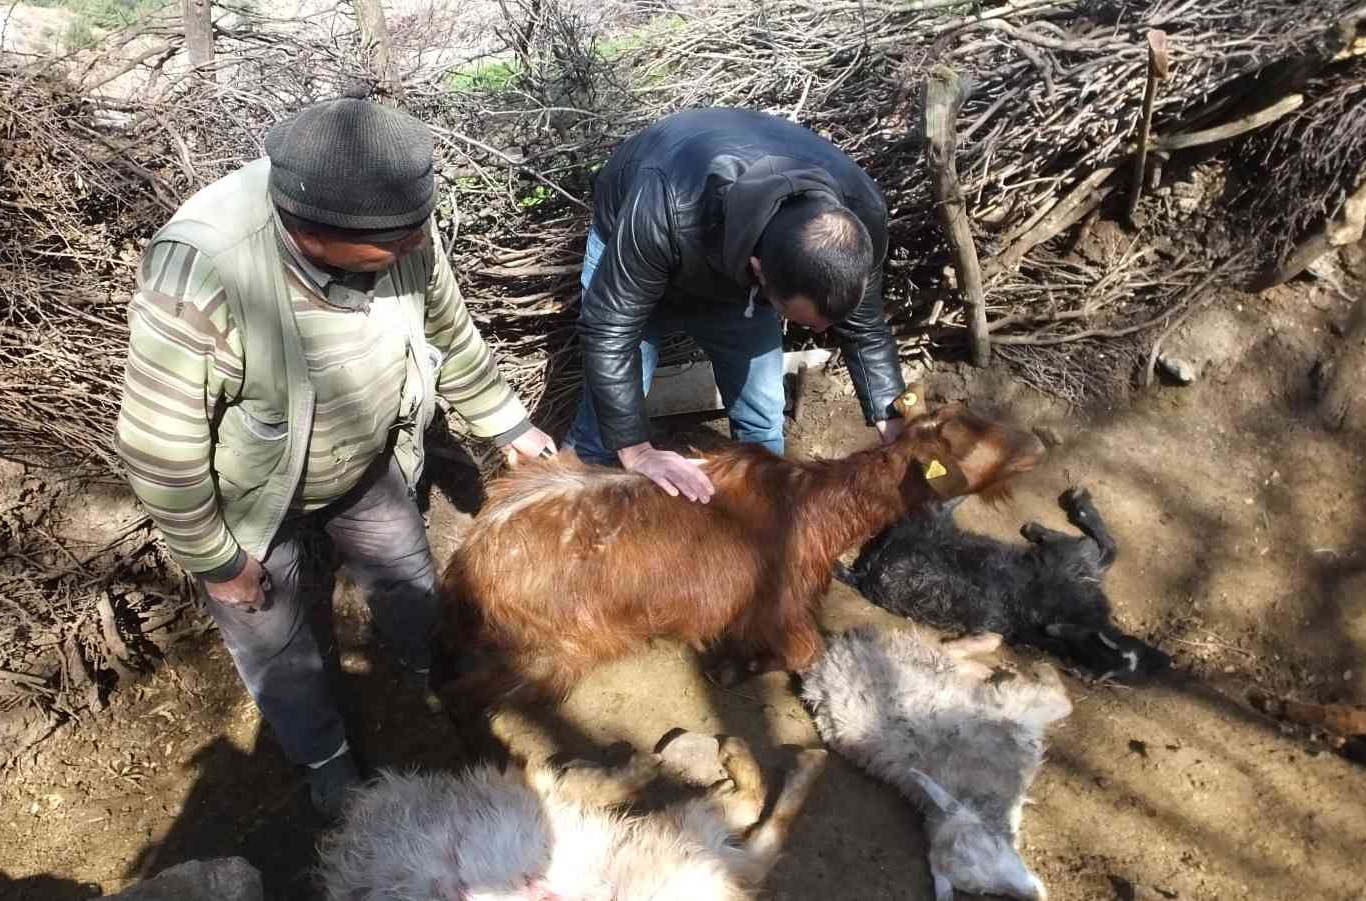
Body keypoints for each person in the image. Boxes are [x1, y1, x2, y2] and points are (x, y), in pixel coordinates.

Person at [113, 99, 557, 817]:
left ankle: (438, 675)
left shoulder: (398, 219)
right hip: (253, 494)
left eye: (418, 232)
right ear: (314, 236)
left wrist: (507, 424)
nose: (417, 249)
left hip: (363, 460)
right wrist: (217, 560)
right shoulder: (203, 264)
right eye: (396, 247)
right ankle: (327, 762)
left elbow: (450, 325)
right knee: (276, 639)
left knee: (410, 576)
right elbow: (159, 444)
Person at [565, 107, 909, 501]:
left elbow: (865, 329)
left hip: (729, 259)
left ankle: (758, 531)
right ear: (761, 273)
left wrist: (892, 421)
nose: (819, 333)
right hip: (638, 247)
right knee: (603, 425)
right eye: (802, 320)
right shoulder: (664, 204)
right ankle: (561, 515)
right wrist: (638, 450)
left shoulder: (858, 217)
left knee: (762, 417)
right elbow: (610, 329)